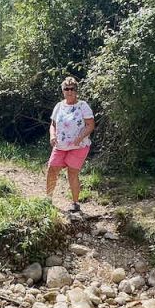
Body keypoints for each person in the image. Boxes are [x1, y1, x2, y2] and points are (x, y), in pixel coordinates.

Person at [46, 76, 94, 212]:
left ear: (76, 90)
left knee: (72, 172)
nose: (69, 91)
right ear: (63, 91)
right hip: (60, 145)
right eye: (66, 89)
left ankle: (75, 203)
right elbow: (53, 124)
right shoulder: (59, 106)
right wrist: (52, 135)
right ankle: (48, 199)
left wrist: (81, 136)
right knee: (52, 169)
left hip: (79, 146)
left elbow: (90, 125)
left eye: (72, 89)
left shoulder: (82, 106)